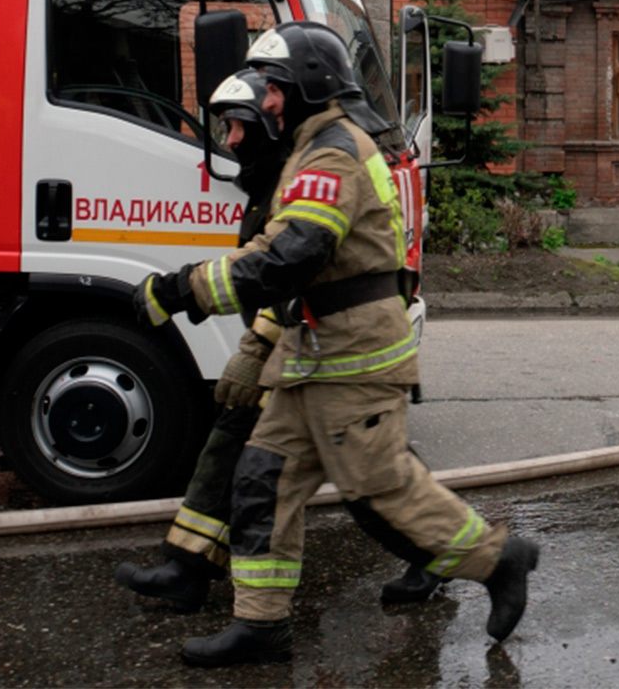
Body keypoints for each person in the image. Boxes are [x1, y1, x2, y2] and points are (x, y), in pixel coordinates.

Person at [135, 22, 539, 666]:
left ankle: (498, 559)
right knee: (262, 484)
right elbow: (283, 251)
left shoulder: (332, 153)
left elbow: (292, 254)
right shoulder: (310, 146)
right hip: (315, 355)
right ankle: (261, 626)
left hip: (354, 357)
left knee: (382, 491)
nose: (263, 101)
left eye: (272, 87)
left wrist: (183, 291)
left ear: (306, 86)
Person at [115, 71, 444, 613]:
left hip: (329, 341)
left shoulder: (305, 175)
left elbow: (288, 273)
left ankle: (446, 554)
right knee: (252, 447)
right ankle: (190, 566)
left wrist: (252, 350)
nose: (231, 139)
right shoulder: (278, 174)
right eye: (227, 127)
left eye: (241, 125)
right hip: (308, 340)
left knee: (369, 474)